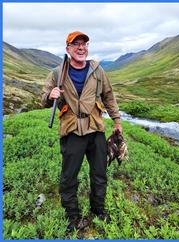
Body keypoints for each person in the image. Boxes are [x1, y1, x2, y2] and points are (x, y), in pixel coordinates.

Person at [41, 31, 122, 231]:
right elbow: (43, 100)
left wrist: (117, 121)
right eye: (75, 44)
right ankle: (72, 216)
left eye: (84, 44)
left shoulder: (97, 70)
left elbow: (109, 97)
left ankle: (98, 210)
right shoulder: (57, 73)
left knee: (99, 173)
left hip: (95, 128)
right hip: (71, 131)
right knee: (69, 177)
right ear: (67, 49)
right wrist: (49, 95)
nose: (81, 48)